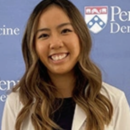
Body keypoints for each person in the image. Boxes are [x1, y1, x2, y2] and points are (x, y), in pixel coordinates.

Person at [1, 0, 130, 130]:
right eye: (44, 35)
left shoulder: (114, 101)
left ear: (81, 36)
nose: (56, 43)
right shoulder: (17, 102)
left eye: (65, 31)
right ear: (33, 46)